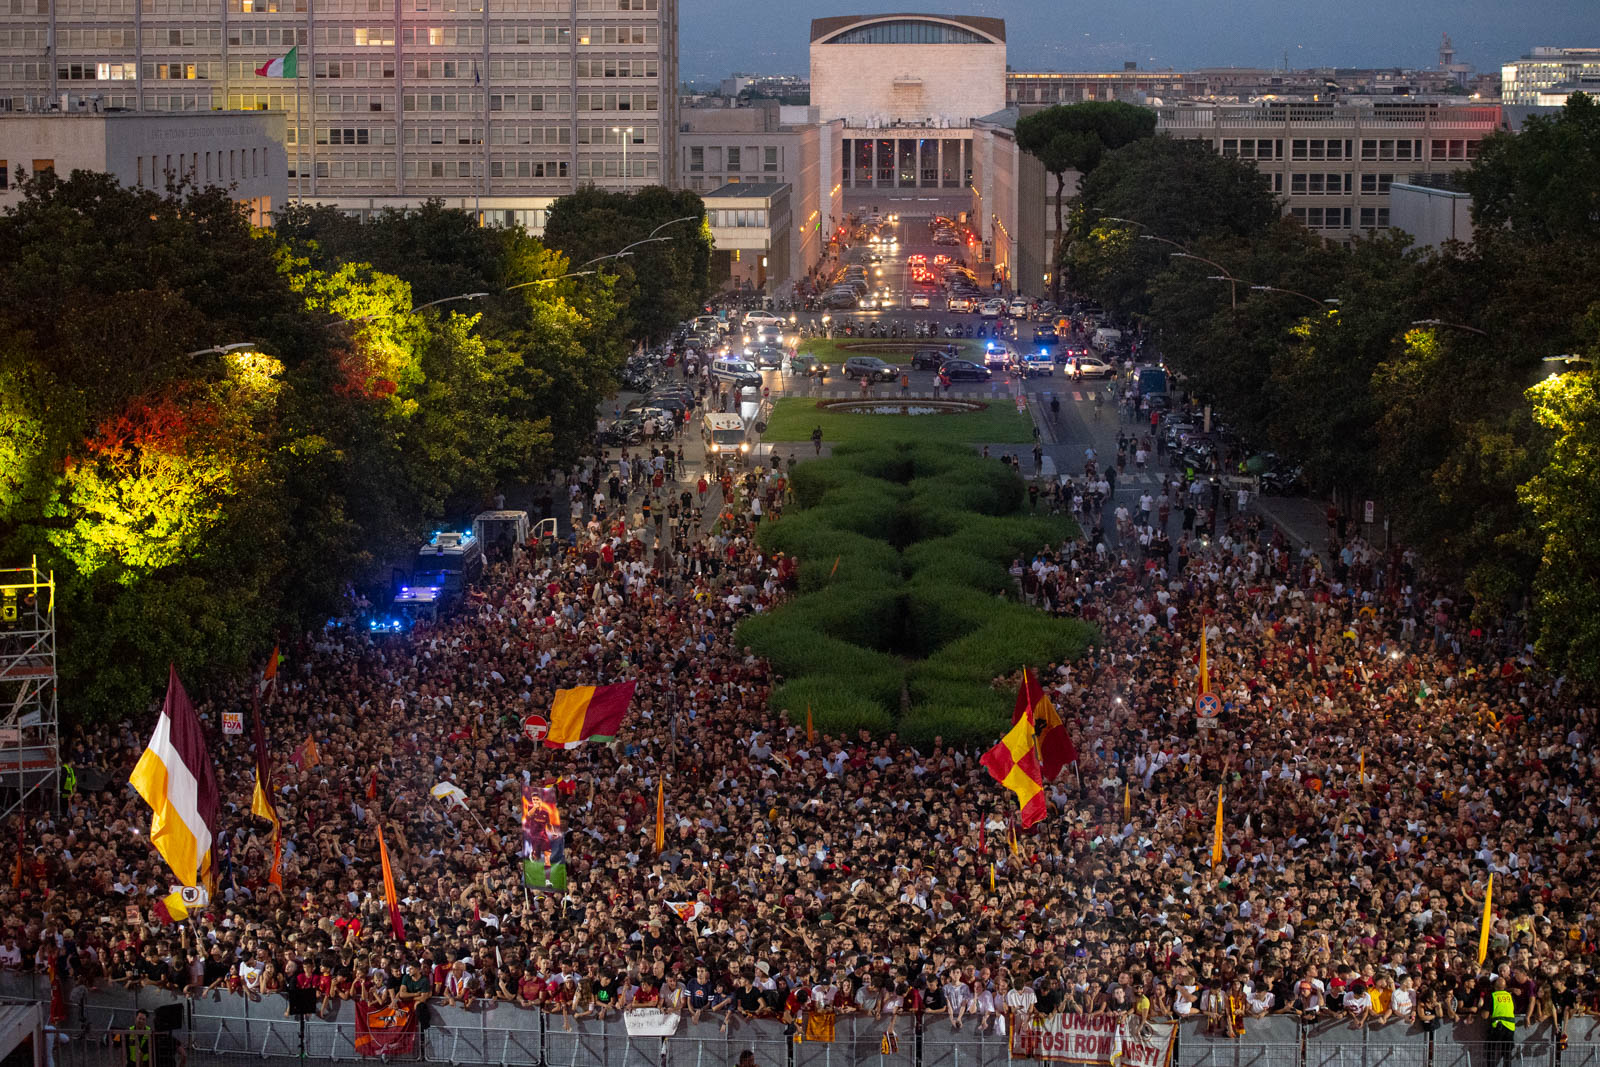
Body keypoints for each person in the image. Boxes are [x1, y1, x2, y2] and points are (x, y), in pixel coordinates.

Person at [1487, 977, 1515, 1067]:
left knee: (1491, 1050)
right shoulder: (1510, 996)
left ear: (1494, 986)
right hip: (1510, 1027)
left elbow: (1485, 1015)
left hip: (1497, 1027)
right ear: (1504, 986)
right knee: (1507, 1054)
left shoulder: (1492, 996)